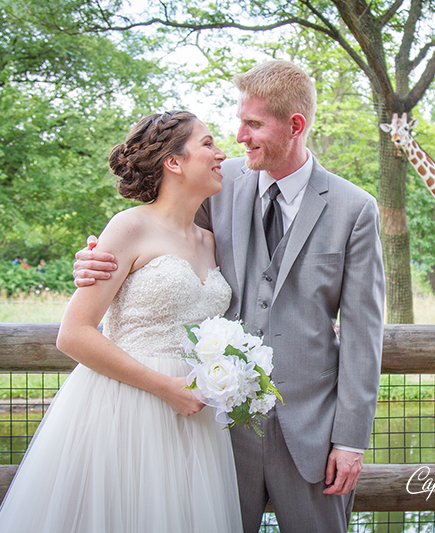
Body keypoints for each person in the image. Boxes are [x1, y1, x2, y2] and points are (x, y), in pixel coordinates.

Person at [74, 61, 386, 533]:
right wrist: (91, 257)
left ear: (295, 125)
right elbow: (156, 235)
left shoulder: (353, 208)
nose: (238, 136)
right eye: (238, 121)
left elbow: (364, 331)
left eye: (253, 124)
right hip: (212, 429)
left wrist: (350, 440)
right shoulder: (217, 184)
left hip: (312, 432)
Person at [0, 111, 242, 533]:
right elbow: (73, 334)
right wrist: (167, 388)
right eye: (208, 144)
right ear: (173, 162)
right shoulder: (128, 228)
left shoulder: (211, 241)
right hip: (128, 407)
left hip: (194, 416)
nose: (221, 154)